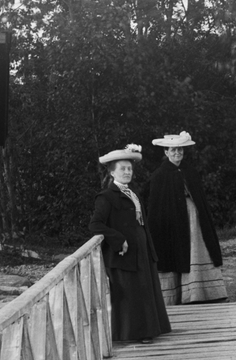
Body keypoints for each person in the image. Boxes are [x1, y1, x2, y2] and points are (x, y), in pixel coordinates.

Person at [89, 144, 171, 343]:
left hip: (141, 247)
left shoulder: (132, 193)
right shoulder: (106, 197)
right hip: (124, 252)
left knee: (145, 287)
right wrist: (118, 240)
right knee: (132, 291)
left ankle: (151, 329)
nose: (127, 172)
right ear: (111, 172)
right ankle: (136, 333)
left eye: (129, 169)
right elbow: (95, 225)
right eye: (122, 169)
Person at [143, 131, 228, 304]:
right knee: (174, 253)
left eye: (180, 150)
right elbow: (155, 206)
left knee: (196, 248)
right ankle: (176, 295)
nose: (177, 153)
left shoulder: (190, 171)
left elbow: (198, 196)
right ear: (166, 152)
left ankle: (199, 292)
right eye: (173, 150)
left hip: (193, 218)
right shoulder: (160, 175)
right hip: (172, 223)